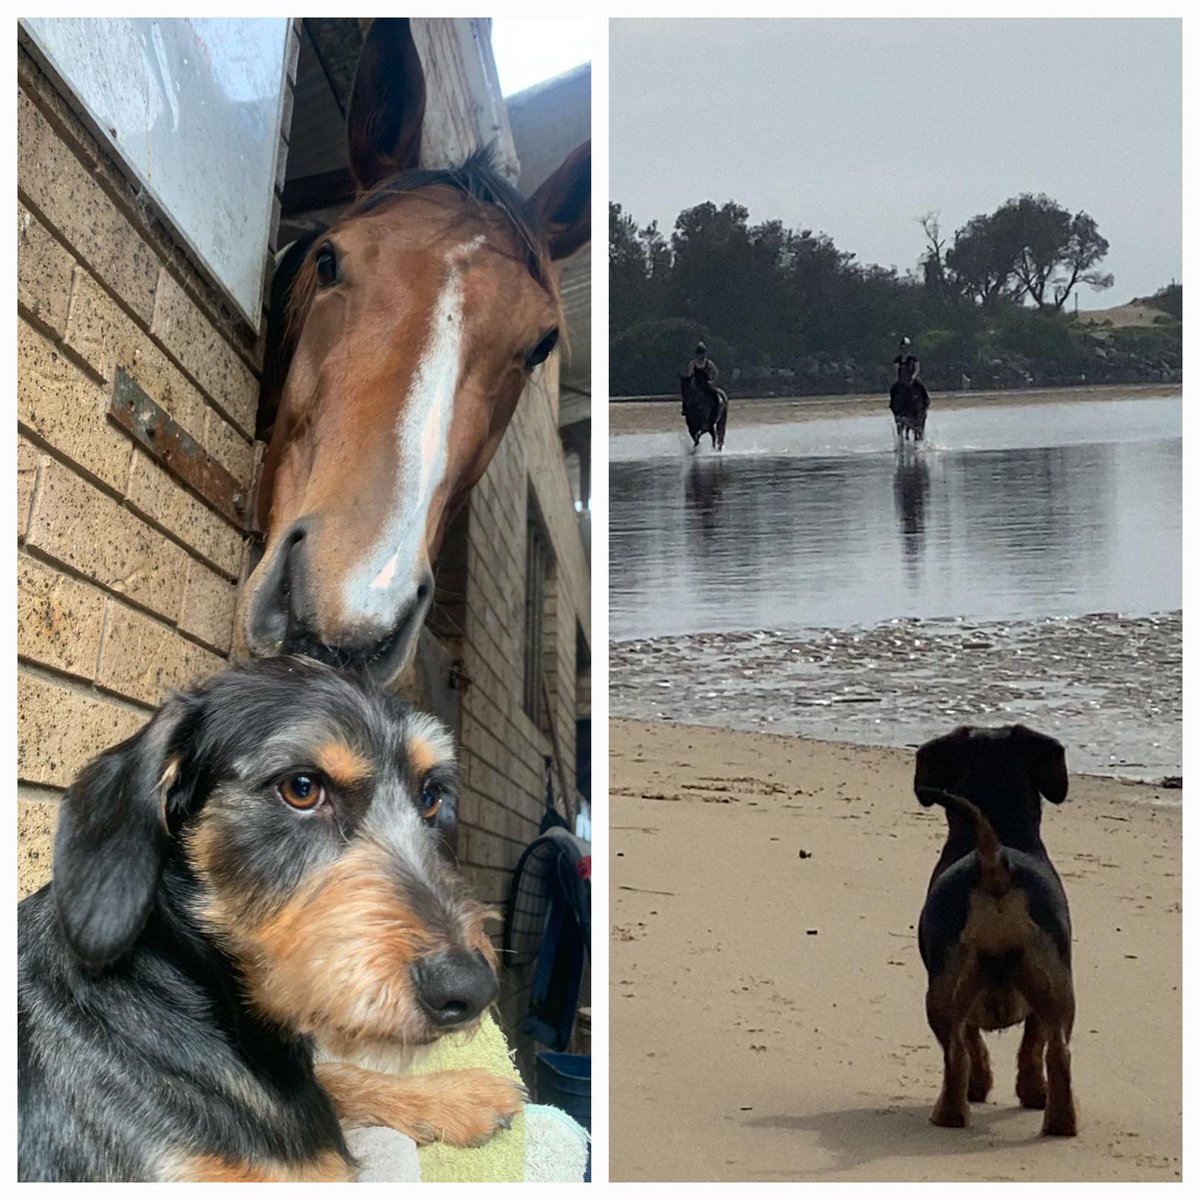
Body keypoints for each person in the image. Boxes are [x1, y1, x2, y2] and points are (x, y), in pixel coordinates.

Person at [889, 336, 930, 413]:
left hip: (912, 378)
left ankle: (925, 403)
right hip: (902, 379)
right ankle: (893, 405)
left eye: (906, 348)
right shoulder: (897, 359)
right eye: (903, 348)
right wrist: (899, 378)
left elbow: (917, 369)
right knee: (893, 390)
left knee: (921, 387)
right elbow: (897, 370)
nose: (905, 350)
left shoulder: (913, 359)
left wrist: (913, 377)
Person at [682, 342, 721, 413]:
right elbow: (690, 374)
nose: (701, 355)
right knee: (687, 396)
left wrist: (712, 381)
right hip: (696, 385)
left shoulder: (709, 363)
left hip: (706, 384)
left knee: (714, 395)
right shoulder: (692, 363)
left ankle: (716, 410)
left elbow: (716, 373)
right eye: (700, 353)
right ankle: (685, 410)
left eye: (703, 353)